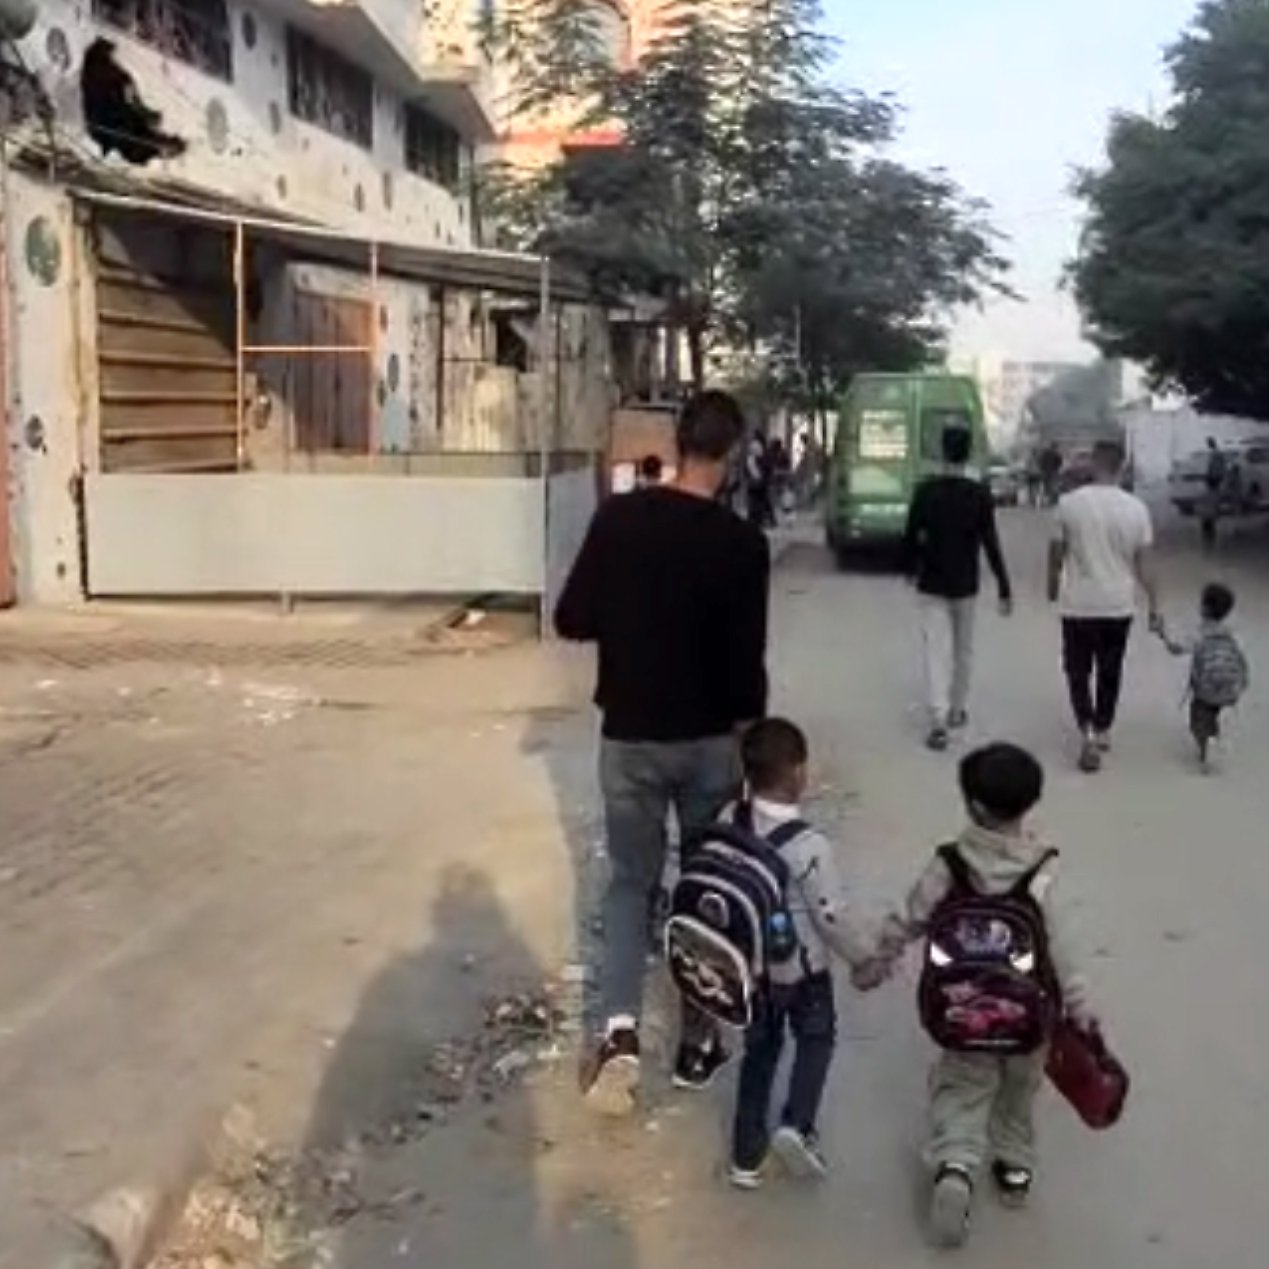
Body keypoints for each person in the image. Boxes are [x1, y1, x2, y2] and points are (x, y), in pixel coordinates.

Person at [554, 389, 770, 1115]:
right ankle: (697, 1039)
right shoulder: (743, 545)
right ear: (733, 453)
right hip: (710, 742)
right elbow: (748, 665)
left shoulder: (618, 520)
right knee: (704, 883)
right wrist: (750, 744)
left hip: (630, 736)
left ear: (677, 444)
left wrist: (632, 616)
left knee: (629, 884)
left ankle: (617, 1031)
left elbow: (571, 616)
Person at [863, 743, 1094, 1248]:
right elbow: (1062, 946)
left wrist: (877, 962)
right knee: (1018, 1088)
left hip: (962, 1008)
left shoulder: (951, 863)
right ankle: (1013, 1166)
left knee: (963, 1086)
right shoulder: (1042, 871)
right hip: (1029, 1014)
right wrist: (1079, 1007)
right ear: (1030, 804)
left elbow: (911, 916)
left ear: (970, 805)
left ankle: (955, 1164)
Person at [724, 718, 874, 1190]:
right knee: (816, 1040)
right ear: (798, 774)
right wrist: (864, 958)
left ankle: (745, 1156)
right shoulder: (810, 846)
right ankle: (797, 1124)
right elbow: (830, 917)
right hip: (803, 970)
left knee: (759, 1052)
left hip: (751, 967)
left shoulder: (730, 818)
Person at [1048, 440, 1160, 774]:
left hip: (1078, 603)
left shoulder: (1068, 504)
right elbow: (1144, 564)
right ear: (1121, 467)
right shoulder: (1137, 509)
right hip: (1118, 604)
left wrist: (1051, 586)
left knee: (1077, 668)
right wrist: (1155, 605)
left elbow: (1056, 552)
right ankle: (1104, 727)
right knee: (1111, 669)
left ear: (1093, 464)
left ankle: (1086, 728)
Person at [903, 426, 1013, 752]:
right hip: (965, 583)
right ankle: (956, 709)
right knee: (963, 650)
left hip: (932, 581)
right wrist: (1004, 586)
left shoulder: (925, 491)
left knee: (936, 649)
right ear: (967, 454)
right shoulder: (978, 494)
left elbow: (910, 535)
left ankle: (937, 719)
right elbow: (990, 542)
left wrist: (909, 567)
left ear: (942, 451)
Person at [1160, 582, 1250, 770]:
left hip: (1205, 689)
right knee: (1214, 710)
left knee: (1198, 718)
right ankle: (1215, 732)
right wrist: (1241, 684)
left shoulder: (1200, 633)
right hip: (1230, 688)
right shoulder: (1232, 633)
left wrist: (1163, 634)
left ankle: (1207, 747)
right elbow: (1241, 659)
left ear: (1204, 608)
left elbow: (1175, 648)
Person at [1200, 437, 1227, 550]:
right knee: (1213, 502)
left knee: (1211, 503)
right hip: (1215, 480)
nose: (1208, 445)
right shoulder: (1217, 454)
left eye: (1209, 443)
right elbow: (1220, 467)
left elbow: (1214, 467)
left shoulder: (1215, 454)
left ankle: (1209, 528)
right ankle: (1210, 528)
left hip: (1214, 479)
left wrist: (1211, 476)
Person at [745, 431, 774, 528]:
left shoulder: (753, 457)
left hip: (757, 481)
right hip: (759, 481)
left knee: (757, 501)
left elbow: (750, 469)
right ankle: (762, 519)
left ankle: (757, 518)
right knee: (761, 501)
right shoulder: (762, 452)